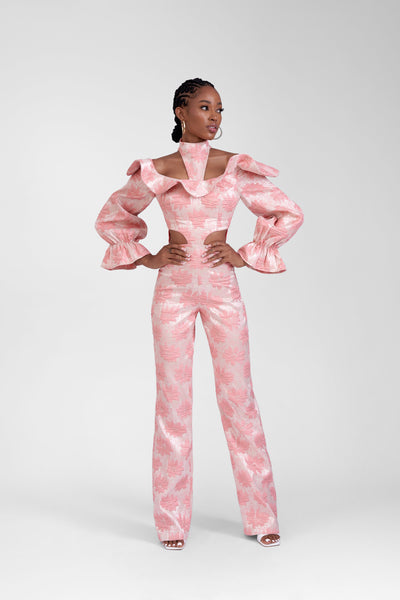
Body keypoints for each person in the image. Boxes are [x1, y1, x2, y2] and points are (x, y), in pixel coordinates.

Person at [94, 77, 304, 550]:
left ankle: (262, 515)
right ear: (180, 111)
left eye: (220, 109)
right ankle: (171, 522)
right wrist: (147, 257)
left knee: (239, 400)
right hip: (172, 292)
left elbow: (287, 212)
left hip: (222, 290)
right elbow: (112, 217)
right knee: (173, 405)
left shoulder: (234, 167)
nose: (215, 117)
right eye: (205, 107)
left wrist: (244, 254)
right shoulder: (156, 170)